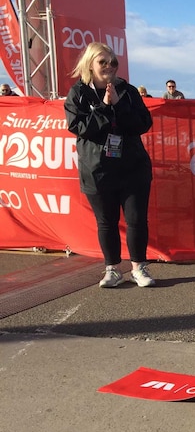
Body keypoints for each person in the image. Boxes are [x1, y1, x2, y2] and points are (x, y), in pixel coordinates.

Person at [63, 42, 155, 288]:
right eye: (103, 62)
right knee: (106, 221)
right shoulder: (78, 93)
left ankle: (139, 268)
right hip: (98, 170)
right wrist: (104, 107)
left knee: (136, 220)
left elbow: (143, 123)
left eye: (113, 62)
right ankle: (112, 269)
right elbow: (80, 128)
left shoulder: (128, 90)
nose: (109, 66)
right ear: (90, 65)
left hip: (132, 166)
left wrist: (119, 104)